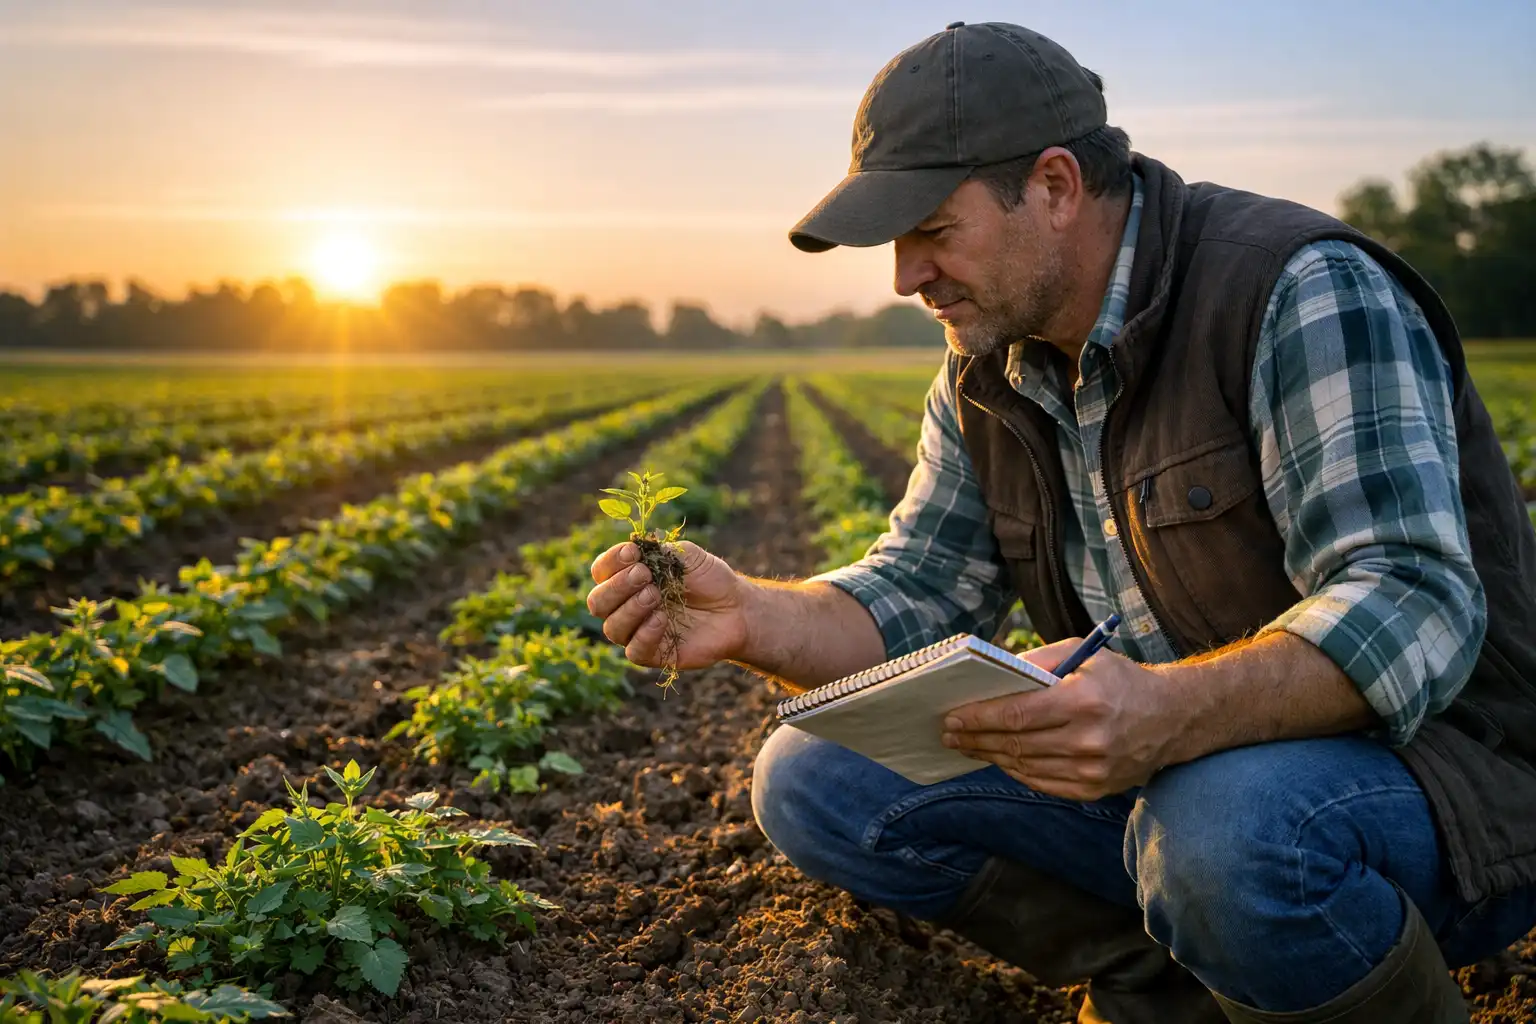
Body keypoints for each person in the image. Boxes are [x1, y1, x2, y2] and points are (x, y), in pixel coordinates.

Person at [585, 21, 1536, 1024]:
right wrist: (752, 617)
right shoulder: (988, 369)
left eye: (932, 230)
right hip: (1173, 769)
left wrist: (1164, 711)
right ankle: (1173, 989)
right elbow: (918, 589)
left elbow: (1410, 598)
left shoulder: (1297, 289)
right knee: (816, 775)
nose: (906, 276)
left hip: (1439, 784)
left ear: (1053, 186)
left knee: (1223, 830)